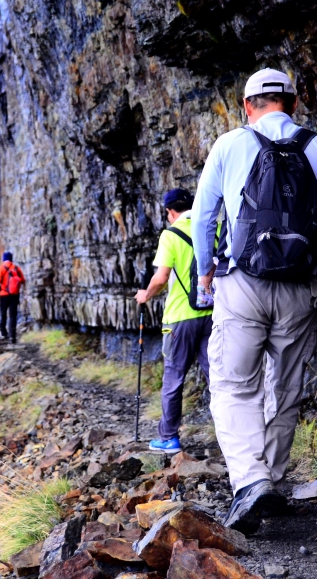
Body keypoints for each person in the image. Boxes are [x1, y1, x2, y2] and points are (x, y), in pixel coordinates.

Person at [191, 68, 317, 533]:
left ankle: (251, 482)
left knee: (233, 384)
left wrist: (205, 272)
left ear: (248, 106)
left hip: (241, 284)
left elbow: (204, 217)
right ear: (293, 102)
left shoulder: (229, 146)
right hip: (299, 288)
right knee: (283, 389)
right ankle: (270, 480)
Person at [136, 188, 213, 454]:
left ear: (170, 212)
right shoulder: (210, 228)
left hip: (180, 318)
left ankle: (169, 437)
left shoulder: (170, 235)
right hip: (212, 314)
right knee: (218, 378)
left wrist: (144, 296)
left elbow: (160, 278)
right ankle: (234, 434)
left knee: (174, 379)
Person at [0, 251, 25, 343]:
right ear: (11, 259)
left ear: (3, 259)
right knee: (13, 315)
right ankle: (12, 336)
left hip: (4, 295)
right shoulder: (17, 268)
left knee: (3, 314)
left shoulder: (1, 268)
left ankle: (4, 333)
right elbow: (23, 280)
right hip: (15, 295)